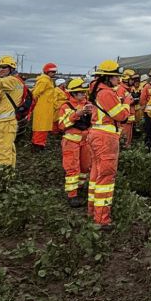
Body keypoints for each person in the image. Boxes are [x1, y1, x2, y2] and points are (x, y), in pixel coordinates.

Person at [86, 60, 131, 228]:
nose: (118, 80)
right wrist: (126, 101)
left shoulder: (96, 90)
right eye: (115, 77)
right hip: (105, 138)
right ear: (107, 77)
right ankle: (102, 219)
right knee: (106, 177)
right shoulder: (106, 93)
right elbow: (121, 116)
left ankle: (92, 211)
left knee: (96, 174)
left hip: (96, 135)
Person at [58, 78, 94, 207]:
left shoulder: (89, 104)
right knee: (72, 168)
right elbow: (62, 125)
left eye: (84, 92)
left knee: (85, 167)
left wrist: (92, 114)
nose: (83, 95)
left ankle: (80, 187)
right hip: (71, 142)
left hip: (86, 142)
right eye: (80, 93)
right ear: (73, 93)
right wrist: (76, 115)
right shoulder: (66, 107)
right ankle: (72, 195)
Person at [30, 63, 58, 150]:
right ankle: (38, 145)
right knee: (41, 127)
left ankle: (39, 143)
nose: (54, 73)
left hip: (46, 107)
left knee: (43, 127)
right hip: (42, 108)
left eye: (54, 71)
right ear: (47, 71)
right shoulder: (44, 81)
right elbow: (35, 93)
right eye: (52, 72)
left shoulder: (48, 80)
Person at [118, 69, 138, 148]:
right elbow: (120, 103)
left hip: (129, 120)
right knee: (124, 140)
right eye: (132, 80)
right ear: (126, 79)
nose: (133, 81)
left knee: (128, 140)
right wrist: (131, 101)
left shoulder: (127, 89)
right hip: (124, 121)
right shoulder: (121, 89)